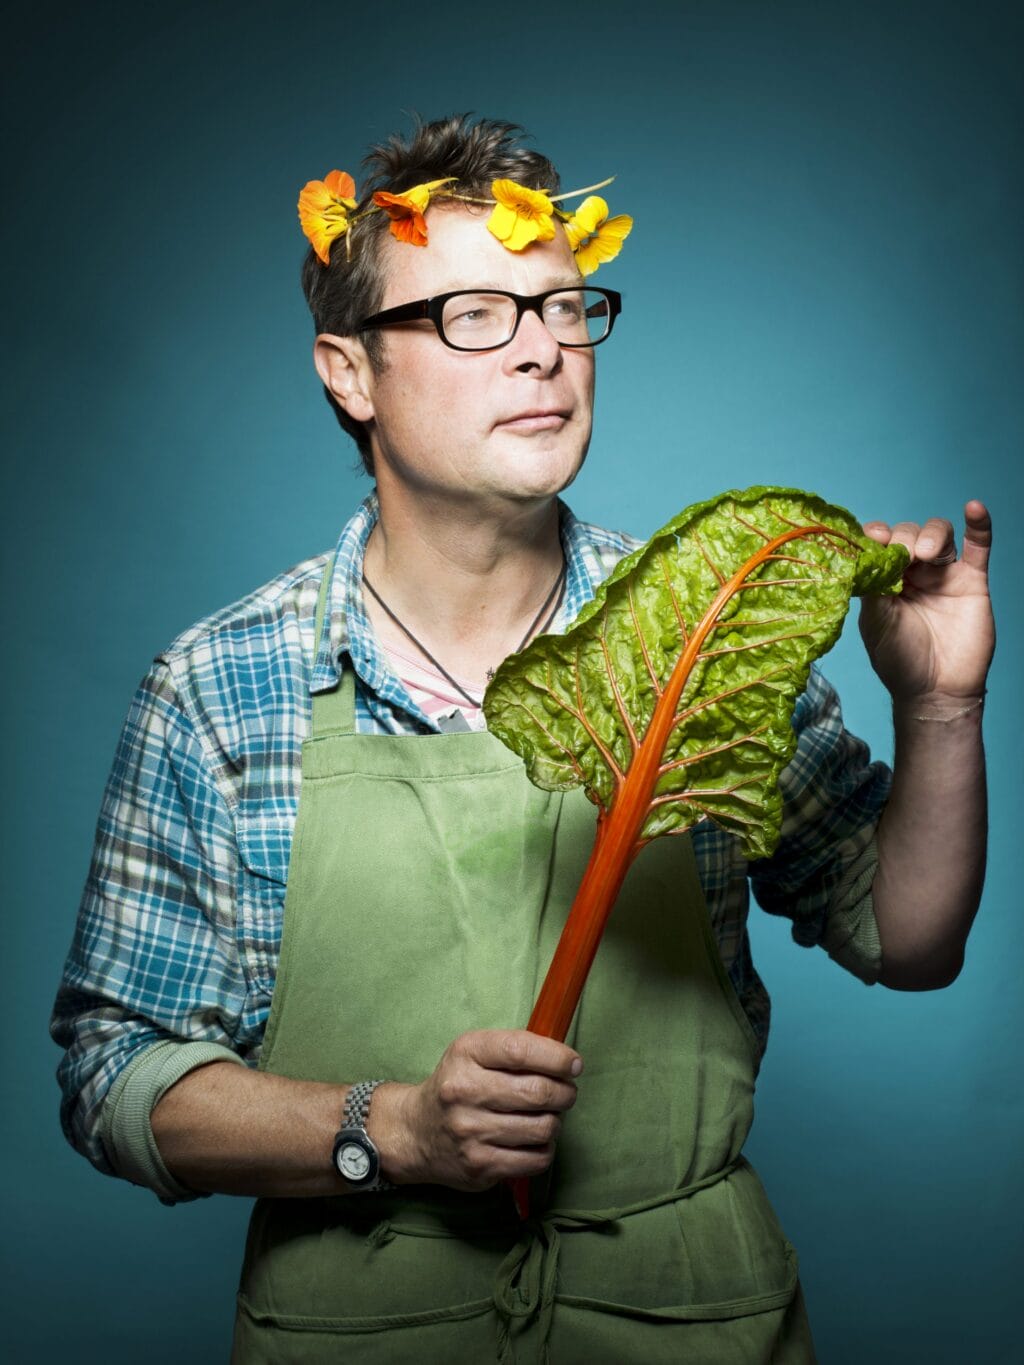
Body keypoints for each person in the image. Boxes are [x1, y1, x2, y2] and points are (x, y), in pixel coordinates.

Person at [51, 115, 993, 1363]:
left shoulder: (705, 631)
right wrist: (391, 1130)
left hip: (691, 1328)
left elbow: (907, 939)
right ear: (348, 372)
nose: (544, 354)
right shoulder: (223, 686)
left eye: (563, 309)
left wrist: (940, 710)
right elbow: (114, 1078)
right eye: (474, 316)